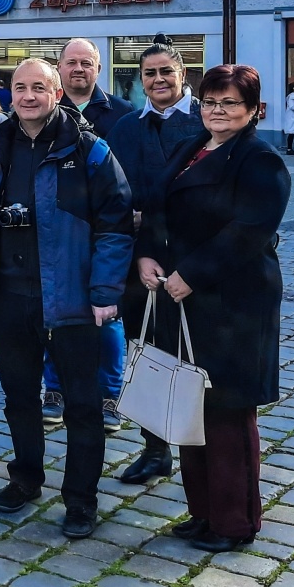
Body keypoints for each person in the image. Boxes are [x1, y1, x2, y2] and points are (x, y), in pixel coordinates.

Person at [0, 58, 133, 539]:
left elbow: (115, 225)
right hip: (8, 298)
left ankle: (80, 499)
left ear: (56, 93)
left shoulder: (90, 151)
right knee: (20, 398)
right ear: (9, 94)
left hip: (74, 302)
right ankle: (26, 479)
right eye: (20, 87)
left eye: (39, 87)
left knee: (82, 405)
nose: (28, 96)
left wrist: (104, 291)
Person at [147, 64, 290, 552]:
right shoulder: (193, 146)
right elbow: (158, 204)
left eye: (229, 103)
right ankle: (203, 511)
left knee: (227, 414)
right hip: (185, 299)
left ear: (253, 110)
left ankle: (234, 522)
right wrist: (148, 253)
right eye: (210, 101)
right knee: (191, 406)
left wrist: (192, 273)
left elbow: (249, 230)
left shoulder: (258, 159)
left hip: (234, 304)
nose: (217, 111)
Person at [106, 35, 206, 485]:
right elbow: (115, 190)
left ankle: (200, 452)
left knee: (196, 357)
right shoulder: (126, 127)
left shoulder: (207, 121)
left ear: (182, 74)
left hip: (194, 260)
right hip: (141, 260)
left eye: (167, 70)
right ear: (140, 79)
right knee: (145, 353)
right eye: (150, 73)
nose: (159, 79)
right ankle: (154, 449)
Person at [46, 39, 134, 436]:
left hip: (104, 230)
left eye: (86, 63)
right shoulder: (43, 109)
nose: (78, 69)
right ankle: (54, 389)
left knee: (108, 315)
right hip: (55, 231)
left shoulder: (122, 116)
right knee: (54, 313)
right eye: (71, 63)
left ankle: (109, 394)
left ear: (99, 68)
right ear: (59, 69)